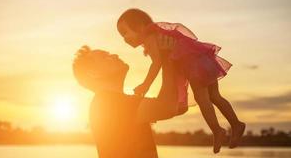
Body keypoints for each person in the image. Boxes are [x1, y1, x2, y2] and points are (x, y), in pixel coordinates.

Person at [117, 8, 246, 153]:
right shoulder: (156, 33)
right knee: (215, 96)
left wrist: (145, 84)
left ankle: (217, 130)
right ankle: (236, 124)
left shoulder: (150, 35)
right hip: (204, 59)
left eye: (125, 32)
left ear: (140, 26)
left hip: (193, 64)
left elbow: (157, 63)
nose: (124, 38)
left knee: (202, 98)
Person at [72, 46, 182, 158]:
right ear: (94, 73)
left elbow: (177, 106)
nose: (115, 55)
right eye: (105, 57)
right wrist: (166, 57)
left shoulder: (108, 101)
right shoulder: (110, 103)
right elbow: (167, 107)